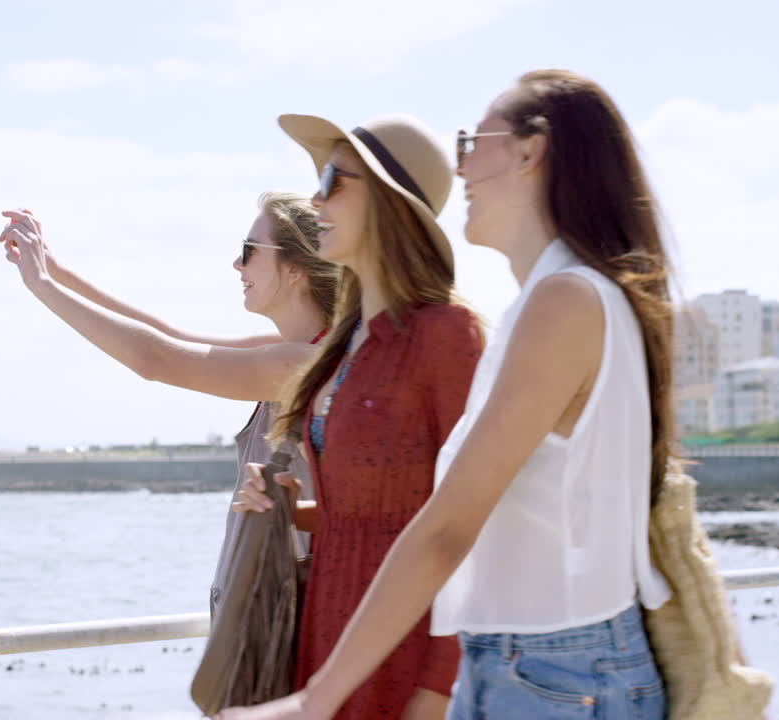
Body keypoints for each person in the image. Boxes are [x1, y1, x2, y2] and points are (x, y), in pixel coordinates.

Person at [220, 69, 676, 720]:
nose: (459, 168)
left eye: (472, 141)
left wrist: (314, 702)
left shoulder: (564, 302)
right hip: (537, 665)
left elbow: (449, 526)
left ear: (528, 151)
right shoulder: (557, 299)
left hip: (557, 672)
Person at [228, 114, 484, 720]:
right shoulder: (355, 342)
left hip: (405, 652)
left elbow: (472, 527)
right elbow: (375, 512)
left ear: (391, 204)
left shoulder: (446, 334)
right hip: (333, 633)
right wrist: (293, 505)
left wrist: (438, 690)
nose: (315, 198)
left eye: (333, 180)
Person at [0, 193, 337, 616]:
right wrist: (56, 271)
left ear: (295, 269)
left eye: (249, 252)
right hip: (286, 613)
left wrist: (41, 285)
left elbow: (157, 359)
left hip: (284, 625)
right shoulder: (305, 351)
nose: (237, 265)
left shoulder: (297, 364)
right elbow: (170, 337)